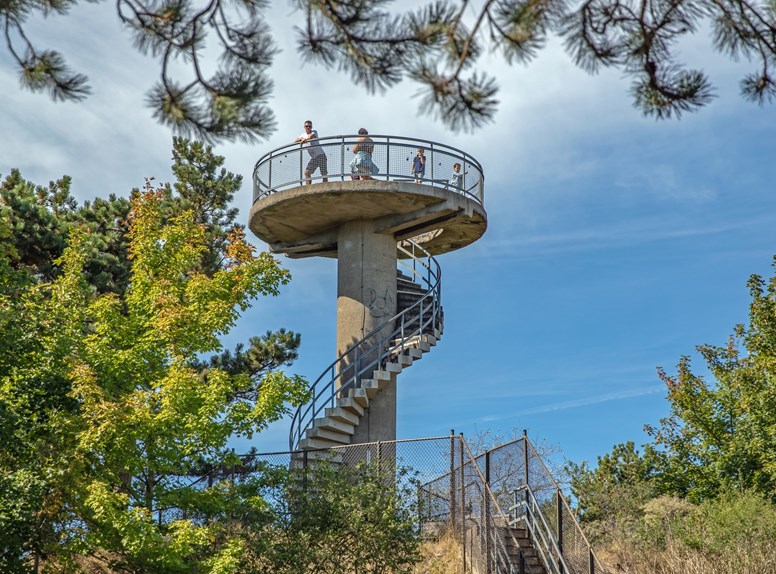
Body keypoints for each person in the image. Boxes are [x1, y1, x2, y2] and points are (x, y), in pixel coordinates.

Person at [294, 120, 328, 185]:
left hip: (321, 155)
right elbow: (295, 140)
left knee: (324, 174)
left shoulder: (314, 132)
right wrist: (301, 139)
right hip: (314, 158)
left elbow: (311, 136)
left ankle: (326, 187)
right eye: (307, 126)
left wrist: (305, 139)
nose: (308, 127)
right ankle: (308, 188)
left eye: (310, 126)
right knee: (307, 172)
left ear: (311, 127)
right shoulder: (303, 135)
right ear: (304, 127)